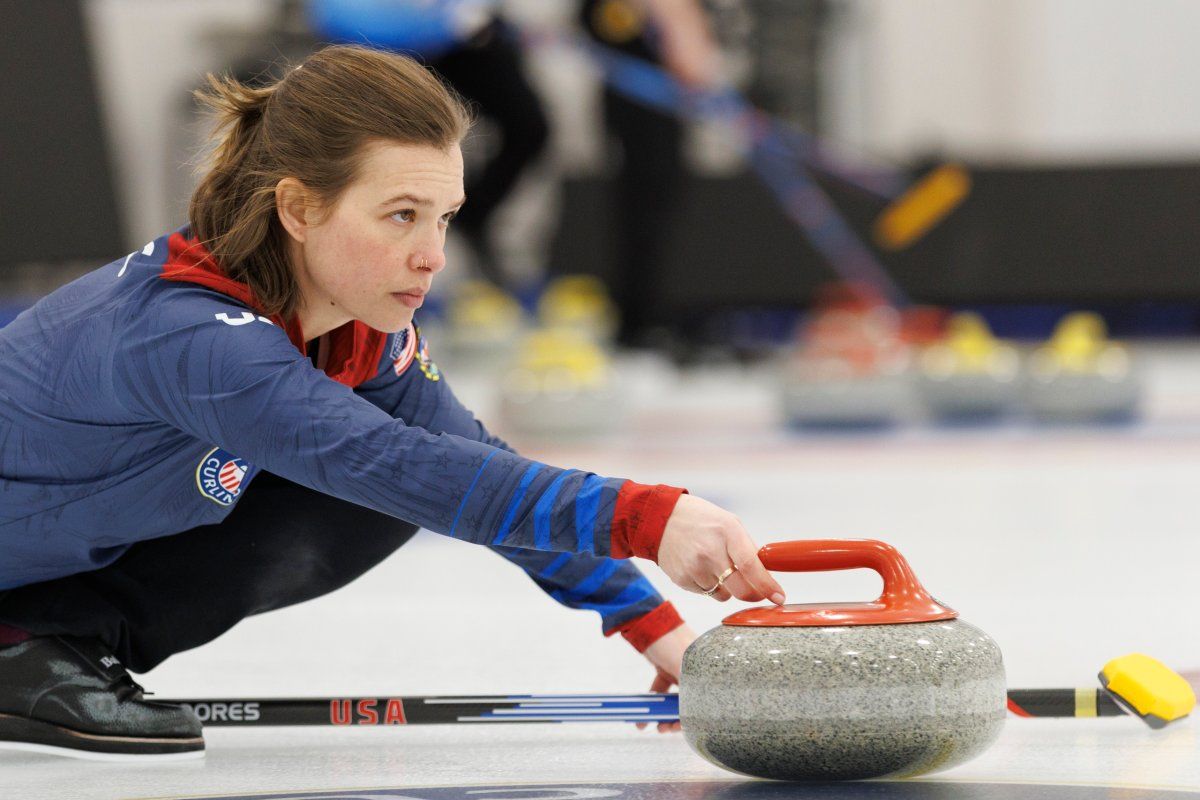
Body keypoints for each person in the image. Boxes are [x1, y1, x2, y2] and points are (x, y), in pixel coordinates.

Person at [0, 45, 784, 761]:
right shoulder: (190, 335)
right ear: (299, 209)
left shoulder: (354, 326)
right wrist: (648, 516)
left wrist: (651, 624)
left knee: (382, 500)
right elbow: (384, 460)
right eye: (401, 215)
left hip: (38, 565)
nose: (434, 255)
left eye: (443, 218)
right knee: (390, 477)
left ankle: (40, 646)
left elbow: (469, 465)